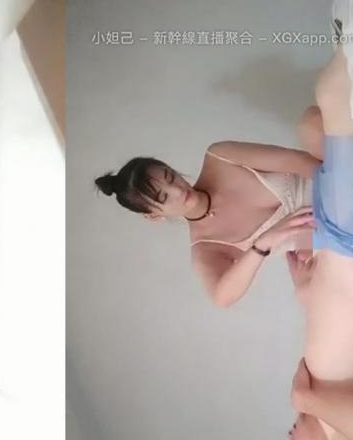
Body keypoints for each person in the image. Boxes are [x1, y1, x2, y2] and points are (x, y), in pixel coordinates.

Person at [282, 45, 353, 440]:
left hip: (335, 248)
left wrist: (308, 296)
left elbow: (336, 337)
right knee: (332, 92)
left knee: (311, 125)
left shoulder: (328, 413)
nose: (287, 439)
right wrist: (305, 398)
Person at [95, 117, 331, 308]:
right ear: (154, 216)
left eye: (170, 176)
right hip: (330, 240)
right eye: (163, 197)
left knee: (310, 124)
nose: (178, 190)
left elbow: (301, 161)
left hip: (332, 187)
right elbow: (222, 297)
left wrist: (336, 196)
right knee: (310, 291)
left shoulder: (220, 157)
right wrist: (263, 244)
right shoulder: (206, 247)